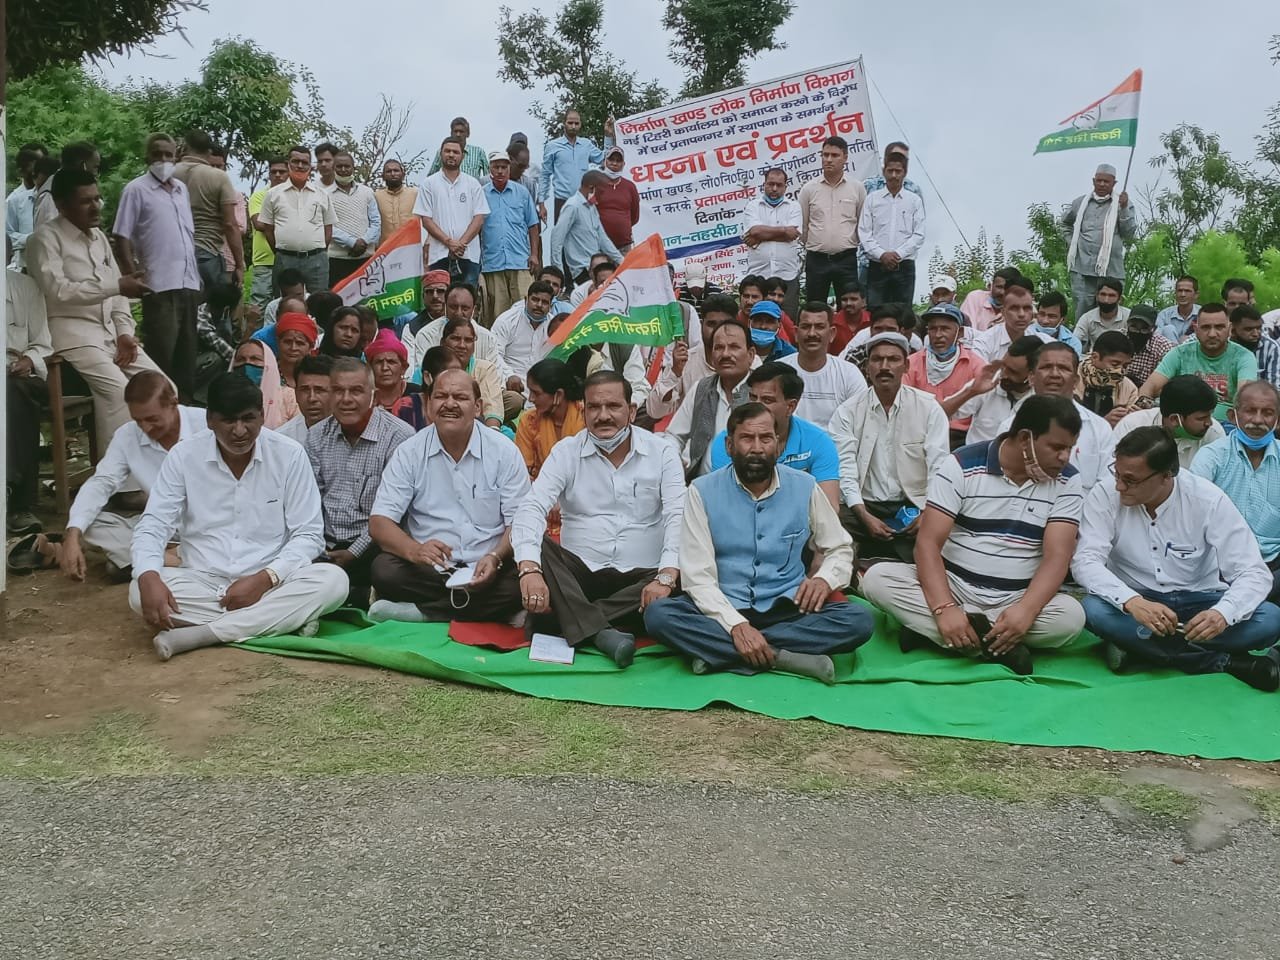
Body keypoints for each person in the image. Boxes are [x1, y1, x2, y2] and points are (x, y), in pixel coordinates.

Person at [644, 403, 872, 683]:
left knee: (858, 621)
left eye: (765, 439)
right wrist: (736, 625)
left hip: (789, 608)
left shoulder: (805, 485)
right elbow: (698, 577)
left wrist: (824, 579)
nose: (756, 448)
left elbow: (839, 547)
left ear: (778, 445)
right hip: (722, 606)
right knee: (659, 615)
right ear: (729, 445)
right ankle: (781, 657)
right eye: (746, 438)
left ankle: (720, 651)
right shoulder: (701, 491)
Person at [128, 371, 347, 659]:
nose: (240, 431)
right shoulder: (184, 456)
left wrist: (265, 579)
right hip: (203, 581)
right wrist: (148, 575)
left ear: (262, 416)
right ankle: (282, 620)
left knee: (334, 581)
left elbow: (309, 534)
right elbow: (154, 524)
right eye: (229, 420)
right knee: (138, 591)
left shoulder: (289, 455)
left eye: (248, 419)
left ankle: (203, 634)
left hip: (272, 582)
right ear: (210, 420)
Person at [862, 396, 1086, 674]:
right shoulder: (961, 464)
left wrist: (1026, 610)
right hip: (953, 586)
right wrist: (944, 607)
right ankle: (997, 644)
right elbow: (928, 544)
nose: (1065, 457)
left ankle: (940, 632)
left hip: (1017, 597)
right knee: (877, 579)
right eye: (1057, 447)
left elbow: (1057, 557)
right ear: (1025, 438)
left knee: (1070, 618)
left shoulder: (1068, 480)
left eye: (1070, 448)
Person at [1076, 426, 1280, 691]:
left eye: (1130, 480)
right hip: (1136, 602)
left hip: (1201, 601)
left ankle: (1141, 649)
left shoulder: (1207, 499)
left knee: (1270, 619)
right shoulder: (1105, 494)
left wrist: (1222, 614)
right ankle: (1224, 662)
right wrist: (1132, 601)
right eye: (1116, 473)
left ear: (1167, 475)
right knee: (1093, 609)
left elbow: (1253, 572)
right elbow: (1086, 560)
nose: (1119, 485)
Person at [512, 371, 684, 665]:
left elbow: (677, 515)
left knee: (682, 574)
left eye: (613, 406)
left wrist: (666, 578)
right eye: (594, 407)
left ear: (631, 411)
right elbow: (532, 506)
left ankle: (565, 620)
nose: (603, 416)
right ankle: (604, 631)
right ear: (584, 411)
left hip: (642, 579)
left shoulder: (662, 452)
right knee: (536, 547)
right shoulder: (566, 452)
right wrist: (529, 570)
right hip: (580, 578)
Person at [367, 370, 530, 623]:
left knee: (525, 577)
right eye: (441, 396)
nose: (450, 404)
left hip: (491, 566)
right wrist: (416, 550)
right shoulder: (409, 452)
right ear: (428, 405)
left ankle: (425, 613)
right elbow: (379, 522)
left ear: (477, 407)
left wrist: (495, 556)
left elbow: (520, 523)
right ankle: (491, 610)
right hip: (431, 569)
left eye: (460, 397)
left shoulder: (503, 452)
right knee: (384, 569)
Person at [26, 169, 164, 451]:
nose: (96, 207)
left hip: (110, 334)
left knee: (162, 387)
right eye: (85, 201)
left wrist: (125, 333)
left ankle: (157, 463)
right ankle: (117, 475)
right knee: (118, 394)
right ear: (62, 205)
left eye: (97, 199)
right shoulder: (43, 239)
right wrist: (116, 286)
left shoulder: (98, 237)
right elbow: (58, 291)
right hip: (71, 335)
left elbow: (118, 294)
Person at [35, 372, 207, 577]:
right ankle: (171, 559)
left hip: (212, 525)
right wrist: (72, 535)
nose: (145, 428)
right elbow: (102, 482)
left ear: (173, 403)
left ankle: (143, 559)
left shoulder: (207, 425)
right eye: (138, 420)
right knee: (88, 523)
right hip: (163, 527)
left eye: (152, 419)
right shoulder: (128, 435)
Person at [304, 357, 414, 608]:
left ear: (374, 396)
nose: (346, 399)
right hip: (325, 545)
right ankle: (355, 595)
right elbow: (310, 502)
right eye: (338, 391)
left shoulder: (399, 436)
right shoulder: (317, 436)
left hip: (374, 545)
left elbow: (394, 512)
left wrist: (353, 553)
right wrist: (318, 547)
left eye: (355, 391)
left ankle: (342, 595)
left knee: (387, 568)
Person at [830, 331, 949, 561]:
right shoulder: (847, 411)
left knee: (944, 530)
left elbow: (939, 466)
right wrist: (863, 514)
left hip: (915, 505)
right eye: (877, 359)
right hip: (863, 507)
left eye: (893, 359)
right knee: (831, 525)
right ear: (867, 367)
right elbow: (844, 469)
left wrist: (928, 512)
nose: (884, 367)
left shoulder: (928, 408)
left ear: (906, 366)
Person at [1190, 380, 1280, 602]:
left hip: (1274, 563)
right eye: (1250, 411)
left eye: (1267, 413)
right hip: (1221, 565)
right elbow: (1192, 513)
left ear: (1278, 420)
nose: (1258, 420)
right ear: (1232, 416)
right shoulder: (1212, 457)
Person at [708, 362, 841, 508]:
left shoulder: (818, 442)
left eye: (767, 400)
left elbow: (829, 508)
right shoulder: (730, 441)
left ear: (790, 406)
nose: (757, 406)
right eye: (753, 397)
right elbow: (723, 503)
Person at [998, 341, 1116, 490]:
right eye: (1046, 367)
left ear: (1076, 380)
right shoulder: (1010, 427)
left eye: (1063, 368)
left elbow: (1107, 485)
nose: (1054, 374)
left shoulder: (1100, 428)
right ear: (1031, 377)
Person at [173, 130, 245, 337]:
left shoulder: (170, 174)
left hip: (174, 254)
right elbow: (230, 224)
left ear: (185, 147)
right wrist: (239, 264)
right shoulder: (218, 177)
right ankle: (219, 351)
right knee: (215, 313)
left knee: (179, 313)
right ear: (208, 151)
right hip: (207, 252)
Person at [1137, 302, 1257, 420]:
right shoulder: (1180, 353)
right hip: (1182, 423)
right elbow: (1150, 386)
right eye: (1206, 327)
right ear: (1196, 329)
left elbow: (1246, 398)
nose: (1212, 334)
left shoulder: (1244, 357)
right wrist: (1143, 405)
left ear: (1230, 329)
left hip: (1227, 424)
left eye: (1219, 327)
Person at [666, 320, 754, 479]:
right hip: (701, 486)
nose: (725, 354)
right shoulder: (701, 389)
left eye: (734, 347)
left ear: (751, 355)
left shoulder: (762, 392)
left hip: (750, 485)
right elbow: (674, 436)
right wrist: (674, 463)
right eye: (719, 348)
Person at [647, 295, 745, 421]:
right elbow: (654, 411)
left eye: (724, 325)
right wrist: (675, 373)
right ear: (701, 325)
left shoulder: (749, 362)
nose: (717, 331)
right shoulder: (684, 361)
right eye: (711, 324)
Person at [5, 270, 52, 534]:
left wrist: (28, 360)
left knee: (13, 394)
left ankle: (16, 502)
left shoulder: (25, 287)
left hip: (20, 378)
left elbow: (43, 344)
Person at [1061, 163, 1137, 322]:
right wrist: (1072, 243)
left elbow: (1129, 234)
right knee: (1082, 314)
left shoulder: (1123, 203)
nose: (1102, 184)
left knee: (1110, 313)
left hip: (1111, 270)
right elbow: (1065, 223)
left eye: (1106, 181)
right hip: (1081, 268)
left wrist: (1123, 208)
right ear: (1093, 181)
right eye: (1099, 180)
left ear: (1114, 183)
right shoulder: (1080, 202)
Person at [903, 302, 984, 446]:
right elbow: (905, 404)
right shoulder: (911, 363)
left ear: (959, 332)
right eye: (933, 329)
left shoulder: (976, 365)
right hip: (919, 434)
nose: (938, 335)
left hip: (959, 437)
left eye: (945, 329)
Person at [259, 145, 335, 296]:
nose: (300, 166)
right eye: (295, 161)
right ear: (288, 164)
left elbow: (328, 228)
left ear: (310, 166)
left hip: (316, 261)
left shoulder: (322, 194)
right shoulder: (273, 194)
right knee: (285, 302)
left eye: (304, 162)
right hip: (285, 259)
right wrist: (283, 251)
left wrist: (317, 251)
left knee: (319, 301)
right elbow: (268, 229)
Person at [798, 136, 865, 305]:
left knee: (849, 308)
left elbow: (862, 223)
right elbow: (803, 226)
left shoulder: (857, 188)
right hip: (816, 259)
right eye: (825, 154)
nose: (828, 159)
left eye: (834, 155)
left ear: (845, 158)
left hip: (846, 258)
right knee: (815, 307)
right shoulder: (808, 189)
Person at [416, 137, 489, 287]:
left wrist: (460, 244)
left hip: (468, 254)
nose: (451, 155)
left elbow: (479, 218)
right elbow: (426, 220)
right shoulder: (429, 184)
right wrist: (449, 242)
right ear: (441, 154)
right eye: (447, 151)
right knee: (439, 297)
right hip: (438, 254)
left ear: (463, 156)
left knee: (467, 297)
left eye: (455, 152)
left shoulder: (473, 184)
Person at [779, 302, 867, 428]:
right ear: (796, 333)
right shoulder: (778, 372)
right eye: (806, 327)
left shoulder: (849, 374)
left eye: (819, 327)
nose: (812, 333)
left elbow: (860, 421)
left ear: (832, 333)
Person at [480, 150, 540, 327]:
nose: (500, 171)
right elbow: (476, 228)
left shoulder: (522, 193)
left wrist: (534, 255)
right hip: (493, 263)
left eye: (504, 167)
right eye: (496, 167)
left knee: (526, 312)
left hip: (520, 261)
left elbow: (533, 225)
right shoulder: (481, 194)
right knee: (497, 316)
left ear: (509, 168)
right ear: (490, 169)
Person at [858, 151, 925, 307]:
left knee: (903, 313)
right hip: (877, 265)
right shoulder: (872, 199)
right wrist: (882, 254)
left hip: (904, 266)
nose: (894, 175)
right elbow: (864, 232)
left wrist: (898, 254)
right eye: (890, 171)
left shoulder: (914, 200)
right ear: (884, 171)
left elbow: (919, 235)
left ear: (904, 172)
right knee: (876, 312)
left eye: (898, 171)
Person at [944, 335, 1039, 444]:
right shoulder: (989, 381)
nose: (1004, 375)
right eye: (1004, 366)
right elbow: (940, 413)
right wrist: (971, 391)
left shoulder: (1040, 397)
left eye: (1013, 372)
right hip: (976, 453)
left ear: (1032, 376)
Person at [1114, 375, 1224, 469]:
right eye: (1201, 418)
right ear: (1174, 419)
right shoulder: (1132, 426)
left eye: (1210, 415)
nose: (1209, 423)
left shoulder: (1214, 433)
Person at [742, 167, 803, 319]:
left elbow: (793, 235)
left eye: (779, 185)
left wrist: (761, 236)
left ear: (785, 187)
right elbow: (755, 231)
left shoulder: (794, 206)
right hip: (759, 276)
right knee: (758, 320)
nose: (774, 189)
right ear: (764, 185)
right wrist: (784, 230)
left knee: (787, 321)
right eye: (770, 184)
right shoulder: (753, 206)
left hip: (787, 275)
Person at [515, 357, 586, 479]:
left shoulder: (586, 417)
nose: (530, 399)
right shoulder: (529, 421)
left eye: (536, 393)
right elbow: (523, 470)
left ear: (559, 394)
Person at [549, 170, 622, 285]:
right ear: (591, 188)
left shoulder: (592, 207)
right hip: (582, 270)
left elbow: (603, 239)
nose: (603, 197)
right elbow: (556, 238)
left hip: (597, 266)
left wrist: (622, 261)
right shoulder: (573, 206)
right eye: (601, 192)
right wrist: (558, 272)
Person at [540, 109, 612, 222]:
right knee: (562, 233)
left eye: (576, 123)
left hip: (584, 201)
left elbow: (605, 161)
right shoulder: (552, 146)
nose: (573, 126)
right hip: (562, 201)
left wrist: (608, 136)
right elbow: (545, 175)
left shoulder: (586, 144)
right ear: (564, 123)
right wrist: (541, 203)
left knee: (585, 232)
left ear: (580, 124)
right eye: (570, 123)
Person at [325, 151, 380, 287]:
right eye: (339, 166)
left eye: (347, 166)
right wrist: (351, 242)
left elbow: (376, 222)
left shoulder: (367, 192)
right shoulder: (325, 194)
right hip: (337, 259)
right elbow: (326, 225)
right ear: (333, 168)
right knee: (337, 297)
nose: (343, 170)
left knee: (366, 296)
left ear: (353, 168)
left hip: (366, 258)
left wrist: (364, 241)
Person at [441, 317, 506, 428]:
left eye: (468, 340)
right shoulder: (430, 368)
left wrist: (491, 432)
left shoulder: (485, 369)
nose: (462, 345)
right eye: (456, 339)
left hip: (479, 426)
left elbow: (492, 407)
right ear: (442, 342)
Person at [492, 279, 556, 389]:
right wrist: (509, 376)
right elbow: (494, 354)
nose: (539, 305)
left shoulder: (554, 326)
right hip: (508, 384)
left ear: (550, 306)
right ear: (526, 300)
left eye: (545, 302)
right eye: (535, 300)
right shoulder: (507, 320)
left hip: (543, 387)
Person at [973, 275, 1050, 361]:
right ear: (1003, 312)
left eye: (1026, 308)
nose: (1021, 314)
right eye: (1014, 308)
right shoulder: (983, 343)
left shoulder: (1046, 343)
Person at [246, 156, 288, 308]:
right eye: (273, 172)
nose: (277, 175)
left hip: (289, 259)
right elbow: (259, 224)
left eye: (282, 172)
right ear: (269, 174)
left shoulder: (296, 197)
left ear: (289, 173)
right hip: (265, 261)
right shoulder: (259, 196)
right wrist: (290, 223)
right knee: (260, 304)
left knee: (287, 304)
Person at [1075, 331, 1139, 425]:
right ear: (1095, 357)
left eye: (1125, 366)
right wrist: (1103, 423)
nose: (1120, 371)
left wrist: (1134, 417)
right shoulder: (1072, 379)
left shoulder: (1129, 389)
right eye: (1115, 364)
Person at [230, 339, 295, 428]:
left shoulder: (289, 397)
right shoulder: (223, 397)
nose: (247, 363)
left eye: (254, 359)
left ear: (268, 363)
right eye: (241, 359)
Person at [843, 303, 922, 375]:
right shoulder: (856, 356)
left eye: (890, 329)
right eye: (878, 329)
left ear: (901, 331)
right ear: (870, 330)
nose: (884, 334)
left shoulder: (914, 357)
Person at [7, 141, 47, 271]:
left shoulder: (56, 199)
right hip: (24, 268)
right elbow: (7, 235)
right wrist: (31, 239)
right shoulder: (14, 200)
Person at [277, 354, 334, 443]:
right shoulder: (281, 440)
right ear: (296, 393)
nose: (312, 398)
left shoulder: (351, 435)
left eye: (319, 390)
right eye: (305, 390)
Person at [595, 145, 640, 254]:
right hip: (599, 246)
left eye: (618, 160)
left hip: (624, 246)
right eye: (611, 159)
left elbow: (634, 217)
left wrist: (621, 227)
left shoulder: (630, 187)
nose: (614, 163)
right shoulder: (595, 185)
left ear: (623, 164)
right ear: (605, 162)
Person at [401, 269, 451, 367]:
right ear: (423, 296)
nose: (435, 296)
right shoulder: (412, 328)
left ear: (450, 295)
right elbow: (409, 366)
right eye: (430, 292)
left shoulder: (458, 321)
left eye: (440, 291)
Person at [363, 328, 415, 417]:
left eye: (391, 362)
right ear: (370, 367)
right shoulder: (363, 397)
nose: (384, 368)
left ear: (403, 368)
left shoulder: (417, 396)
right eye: (379, 362)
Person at [1073, 277, 1129, 355]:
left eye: (1111, 296)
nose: (1106, 300)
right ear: (1096, 297)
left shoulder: (1128, 316)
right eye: (1103, 294)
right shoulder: (1087, 318)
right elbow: (1074, 341)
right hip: (1096, 358)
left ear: (1120, 299)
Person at [1122, 303, 1174, 387]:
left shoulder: (1163, 347)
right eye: (1134, 327)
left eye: (1144, 328)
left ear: (1154, 329)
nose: (1138, 332)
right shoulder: (1117, 339)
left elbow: (1166, 380)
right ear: (1127, 325)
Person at [958, 267, 1021, 333]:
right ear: (991, 286)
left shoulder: (1021, 309)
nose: (1002, 292)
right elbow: (966, 332)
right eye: (999, 287)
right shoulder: (975, 298)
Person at [1231, 305, 1280, 389]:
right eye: (1248, 329)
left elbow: (1274, 387)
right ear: (1233, 330)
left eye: (1259, 328)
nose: (1256, 334)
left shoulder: (1270, 347)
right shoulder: (1225, 346)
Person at [375, 159, 417, 246]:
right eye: (389, 171)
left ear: (403, 175)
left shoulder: (415, 194)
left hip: (411, 246)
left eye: (396, 170)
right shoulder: (376, 196)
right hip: (385, 248)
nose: (393, 174)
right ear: (383, 176)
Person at [1029, 290, 1083, 356]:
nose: (1045, 321)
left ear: (1063, 320)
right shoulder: (1025, 333)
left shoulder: (1072, 343)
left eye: (1052, 316)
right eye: (1042, 314)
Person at [1157, 275, 1200, 344]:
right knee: (1168, 329)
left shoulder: (1202, 313)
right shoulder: (1164, 315)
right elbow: (1156, 338)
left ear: (1196, 294)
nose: (1183, 294)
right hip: (1168, 349)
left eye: (1187, 291)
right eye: (1180, 291)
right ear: (1175, 293)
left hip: (1194, 349)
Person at [830, 287, 869, 355]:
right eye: (844, 299)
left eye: (853, 299)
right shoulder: (831, 323)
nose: (848, 303)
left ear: (863, 302)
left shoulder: (873, 322)